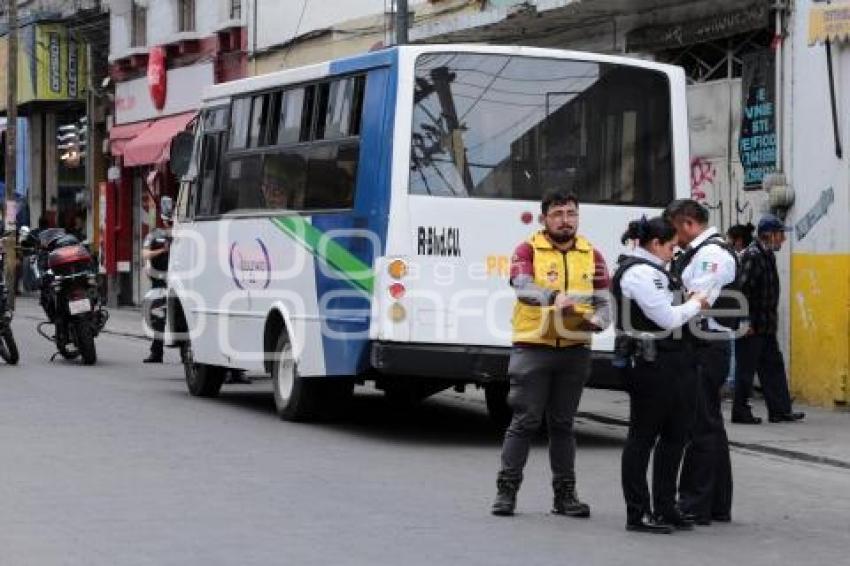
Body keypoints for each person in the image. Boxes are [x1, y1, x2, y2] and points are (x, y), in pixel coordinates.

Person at [491, 190, 610, 517]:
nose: (565, 220)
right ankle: (506, 492)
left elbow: (604, 300)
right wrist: (553, 297)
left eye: (571, 213)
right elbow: (522, 285)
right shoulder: (526, 249)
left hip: (575, 348)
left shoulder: (593, 254)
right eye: (558, 214)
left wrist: (600, 321)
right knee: (525, 421)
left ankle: (565, 496)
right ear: (545, 219)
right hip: (533, 347)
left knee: (563, 424)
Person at [613, 216, 709, 534]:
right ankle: (637, 512)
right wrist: (696, 303)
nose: (674, 252)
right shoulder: (640, 273)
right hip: (651, 365)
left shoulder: (655, 271)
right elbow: (667, 318)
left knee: (674, 437)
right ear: (655, 245)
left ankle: (666, 508)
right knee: (642, 438)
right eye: (671, 246)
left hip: (675, 362)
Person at [665, 199, 739, 525]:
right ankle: (718, 503)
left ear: (687, 223)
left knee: (700, 426)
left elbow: (697, 298)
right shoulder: (696, 253)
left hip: (707, 345)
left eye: (673, 228)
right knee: (710, 425)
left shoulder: (712, 255)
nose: (671, 236)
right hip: (703, 343)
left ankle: (694, 503)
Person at [733, 214, 805, 424]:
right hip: (752, 326)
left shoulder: (768, 256)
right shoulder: (753, 256)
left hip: (766, 325)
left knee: (773, 366)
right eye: (780, 234)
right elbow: (741, 291)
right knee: (745, 370)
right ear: (769, 235)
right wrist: (744, 322)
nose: (783, 239)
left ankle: (780, 410)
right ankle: (740, 411)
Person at [141, 208, 173, 363]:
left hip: (177, 281)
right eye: (169, 220)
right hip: (159, 282)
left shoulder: (182, 235)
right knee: (158, 317)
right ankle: (156, 352)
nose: (170, 223)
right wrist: (162, 250)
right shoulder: (154, 235)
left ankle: (186, 354)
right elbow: (145, 254)